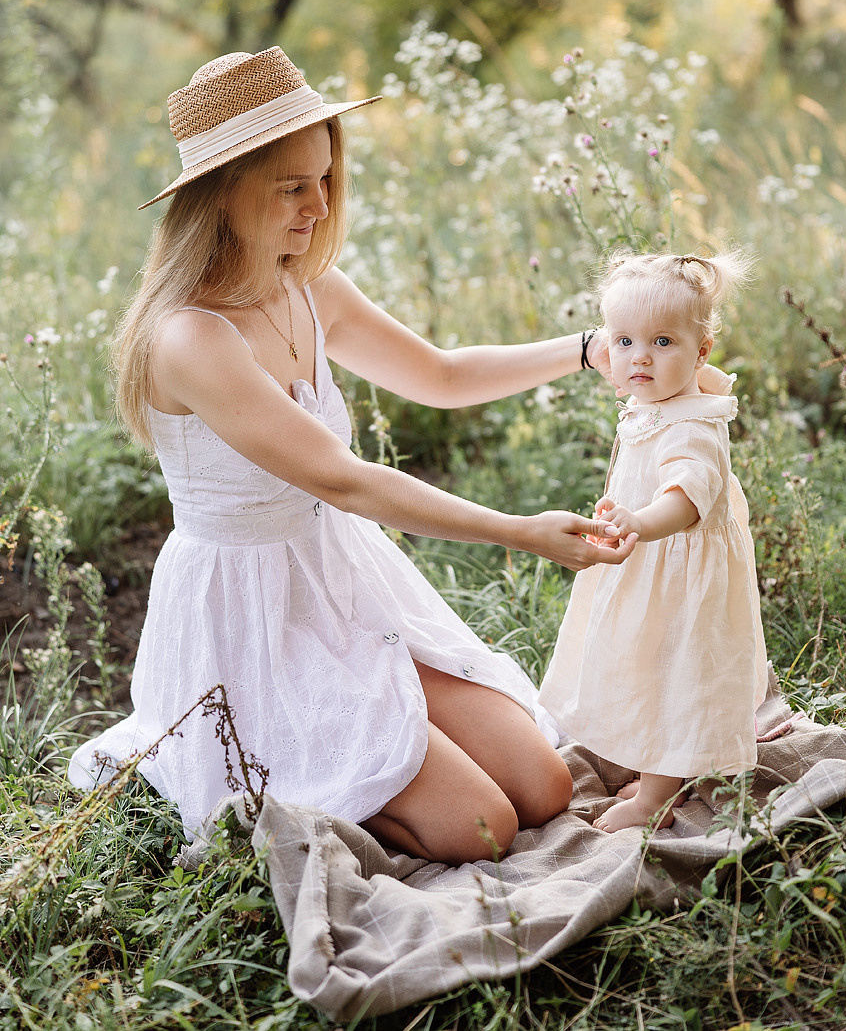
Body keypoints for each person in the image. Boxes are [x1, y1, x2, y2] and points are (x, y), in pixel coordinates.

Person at [68, 45, 640, 867]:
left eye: (326, 178)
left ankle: (386, 749)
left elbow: (440, 375)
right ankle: (300, 782)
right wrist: (519, 531)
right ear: (222, 191)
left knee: (544, 787)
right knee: (482, 828)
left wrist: (587, 348)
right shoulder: (190, 337)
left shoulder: (306, 287)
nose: (319, 204)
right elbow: (343, 478)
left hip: (340, 576)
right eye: (291, 187)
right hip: (252, 615)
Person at [538, 250, 768, 833]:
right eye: (624, 341)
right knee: (644, 665)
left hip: (676, 577)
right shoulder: (657, 402)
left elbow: (687, 498)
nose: (640, 356)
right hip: (653, 567)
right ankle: (664, 770)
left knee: (668, 672)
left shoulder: (691, 426)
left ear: (701, 351)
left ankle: (656, 798)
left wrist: (639, 520)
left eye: (662, 342)